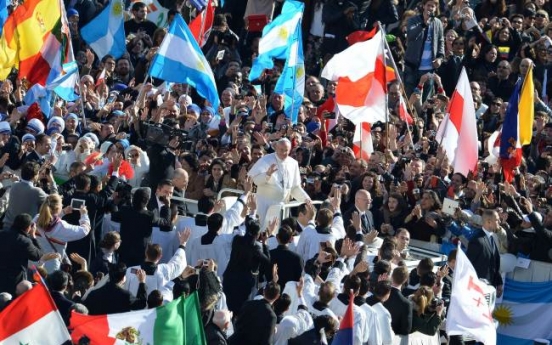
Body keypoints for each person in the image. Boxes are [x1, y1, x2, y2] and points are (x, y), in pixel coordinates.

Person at [248, 138, 310, 229]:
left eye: (286, 150)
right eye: (281, 150)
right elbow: (252, 181)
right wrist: (267, 175)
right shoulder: (265, 160)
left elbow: (294, 187)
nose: (284, 153)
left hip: (282, 205)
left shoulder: (293, 164)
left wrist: (306, 199)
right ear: (276, 148)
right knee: (261, 230)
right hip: (264, 204)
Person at [112, 187, 172, 267]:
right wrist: (167, 206)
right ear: (147, 201)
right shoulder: (149, 216)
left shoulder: (125, 210)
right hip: (141, 254)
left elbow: (114, 216)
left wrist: (114, 203)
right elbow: (166, 222)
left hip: (124, 251)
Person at [34, 194, 91, 273]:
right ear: (57, 208)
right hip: (50, 268)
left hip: (34, 263)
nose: (63, 205)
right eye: (61, 203)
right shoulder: (62, 227)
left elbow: (50, 220)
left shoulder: (37, 218)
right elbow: (84, 230)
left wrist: (63, 212)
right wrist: (84, 214)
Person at [403, 0, 445, 96]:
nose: (430, 8)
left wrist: (440, 58)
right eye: (428, 5)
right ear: (423, 6)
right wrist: (423, 24)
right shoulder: (413, 20)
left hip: (428, 69)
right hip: (412, 67)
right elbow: (410, 36)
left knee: (425, 100)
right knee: (409, 97)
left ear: (436, 8)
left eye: (433, 6)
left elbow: (441, 41)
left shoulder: (438, 23)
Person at [0, 214, 43, 295]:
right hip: (15, 280)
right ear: (28, 227)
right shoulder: (25, 241)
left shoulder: (1, 234)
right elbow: (37, 255)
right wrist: (33, 237)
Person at [3, 162, 53, 230]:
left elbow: (25, 186)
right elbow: (54, 201)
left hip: (6, 227)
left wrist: (37, 172)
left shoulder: (14, 185)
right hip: (21, 233)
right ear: (35, 176)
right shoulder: (37, 192)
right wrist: (52, 181)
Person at [466, 209, 503, 297]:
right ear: (489, 222)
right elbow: (469, 266)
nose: (500, 222)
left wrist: (499, 283)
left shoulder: (494, 238)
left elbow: (494, 264)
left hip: (490, 289)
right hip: (478, 291)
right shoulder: (477, 241)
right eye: (497, 220)